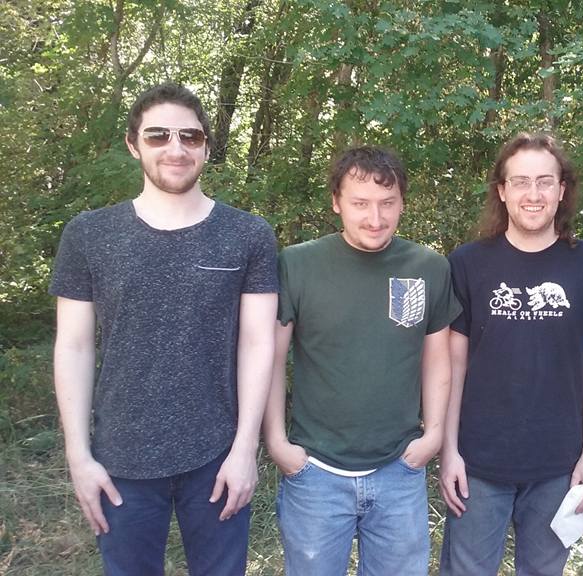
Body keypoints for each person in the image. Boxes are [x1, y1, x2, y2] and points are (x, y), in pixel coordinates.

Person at [50, 83, 279, 575]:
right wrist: (79, 456)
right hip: (119, 460)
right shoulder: (89, 234)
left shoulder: (248, 234)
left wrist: (246, 449)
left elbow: (258, 344)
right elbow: (73, 346)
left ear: (207, 147)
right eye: (158, 136)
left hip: (217, 456)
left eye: (190, 136)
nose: (176, 149)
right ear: (134, 145)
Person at [263, 146, 461, 576]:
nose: (375, 217)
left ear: (402, 203)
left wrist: (433, 436)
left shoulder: (428, 267)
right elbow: (271, 360)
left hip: (399, 469)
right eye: (360, 204)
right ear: (336, 202)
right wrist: (277, 442)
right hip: (315, 472)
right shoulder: (297, 264)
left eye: (387, 203)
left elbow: (437, 359)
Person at [439, 133, 583, 575]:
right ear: (502, 191)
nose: (533, 194)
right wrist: (448, 450)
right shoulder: (466, 264)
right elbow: (452, 364)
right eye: (520, 181)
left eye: (544, 181)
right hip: (477, 463)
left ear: (562, 190)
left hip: (559, 465)